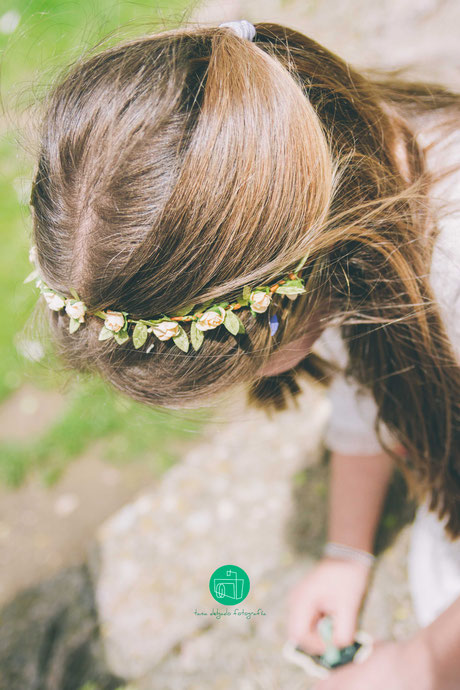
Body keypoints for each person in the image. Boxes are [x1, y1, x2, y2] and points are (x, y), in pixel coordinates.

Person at [26, 20, 460, 688]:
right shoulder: (343, 188)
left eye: (250, 365)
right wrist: (347, 550)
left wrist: (422, 662)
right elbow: (375, 377)